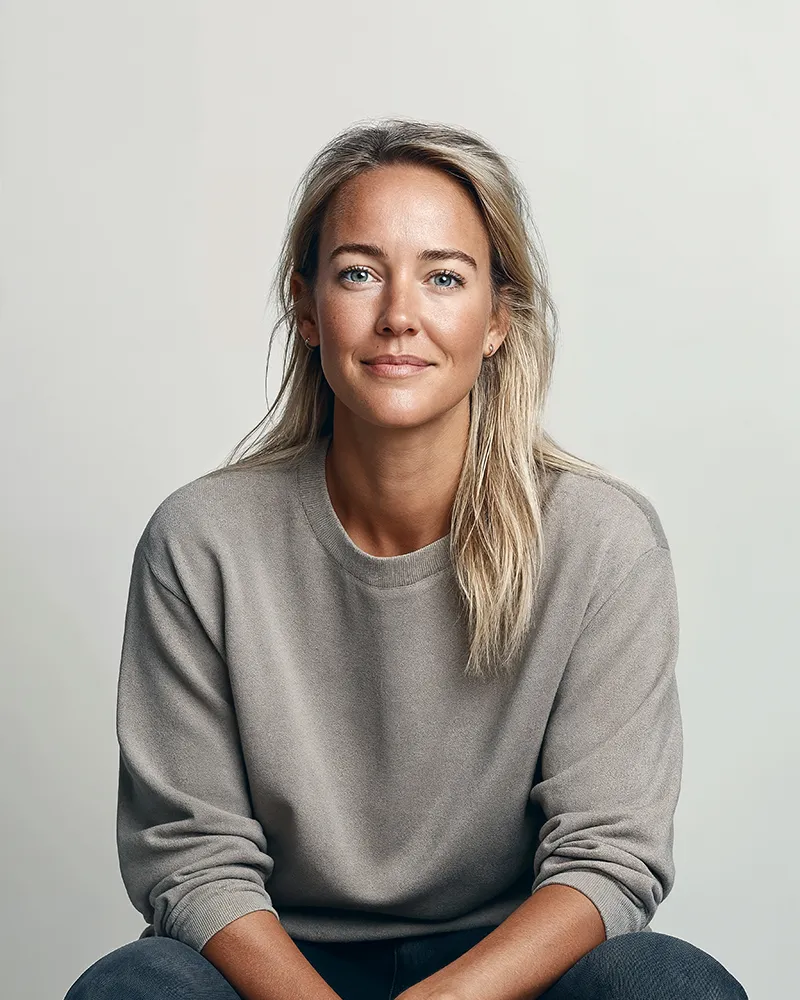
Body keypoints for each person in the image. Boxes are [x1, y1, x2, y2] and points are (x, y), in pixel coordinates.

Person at [64, 118, 748, 1000]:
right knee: (131, 989)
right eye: (358, 272)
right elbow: (191, 856)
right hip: (276, 964)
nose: (399, 316)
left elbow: (608, 856)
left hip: (509, 969)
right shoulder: (201, 542)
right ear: (306, 308)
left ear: (499, 317)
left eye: (443, 277)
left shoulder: (602, 542)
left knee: (669, 983)